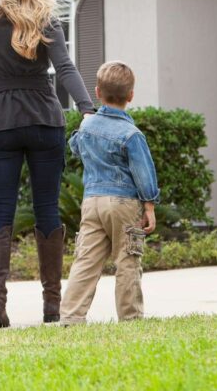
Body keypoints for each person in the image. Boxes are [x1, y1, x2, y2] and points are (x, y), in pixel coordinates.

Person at [0, 0, 95, 328]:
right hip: (44, 118)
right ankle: (52, 306)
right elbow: (66, 69)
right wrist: (86, 108)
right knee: (47, 209)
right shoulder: (47, 21)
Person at [59, 61, 159, 326]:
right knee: (127, 259)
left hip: (91, 202)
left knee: (86, 260)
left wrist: (85, 124)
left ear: (97, 92)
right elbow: (144, 173)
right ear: (131, 96)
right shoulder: (131, 134)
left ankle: (71, 316)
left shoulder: (88, 127)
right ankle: (131, 318)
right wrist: (149, 206)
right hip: (123, 203)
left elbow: (76, 147)